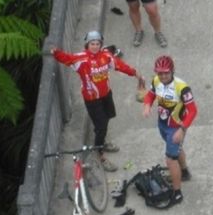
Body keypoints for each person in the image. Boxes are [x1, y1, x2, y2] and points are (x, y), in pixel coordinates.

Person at [51, 31, 145, 172]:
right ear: (87, 45)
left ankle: (102, 141)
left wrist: (135, 73)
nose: (95, 46)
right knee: (101, 126)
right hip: (92, 99)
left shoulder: (106, 56)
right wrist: (54, 51)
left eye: (97, 43)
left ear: (101, 44)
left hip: (106, 94)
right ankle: (100, 154)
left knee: (107, 117)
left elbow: (119, 65)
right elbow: (65, 58)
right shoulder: (80, 59)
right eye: (92, 44)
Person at [143, 55, 197, 202]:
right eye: (159, 73)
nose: (162, 76)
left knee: (170, 160)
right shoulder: (156, 81)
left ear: (172, 71)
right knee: (177, 150)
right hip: (162, 124)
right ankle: (184, 172)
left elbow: (192, 111)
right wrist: (147, 105)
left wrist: (182, 129)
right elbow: (150, 95)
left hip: (176, 128)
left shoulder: (182, 87)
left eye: (166, 72)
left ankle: (177, 192)